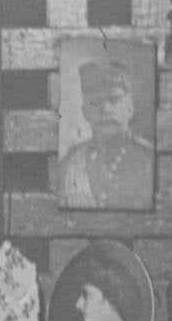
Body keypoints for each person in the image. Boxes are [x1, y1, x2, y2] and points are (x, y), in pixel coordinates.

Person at [54, 54, 153, 208]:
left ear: (130, 108)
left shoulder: (149, 159)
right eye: (95, 103)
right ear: (85, 112)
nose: (105, 109)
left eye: (114, 100)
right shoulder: (69, 163)